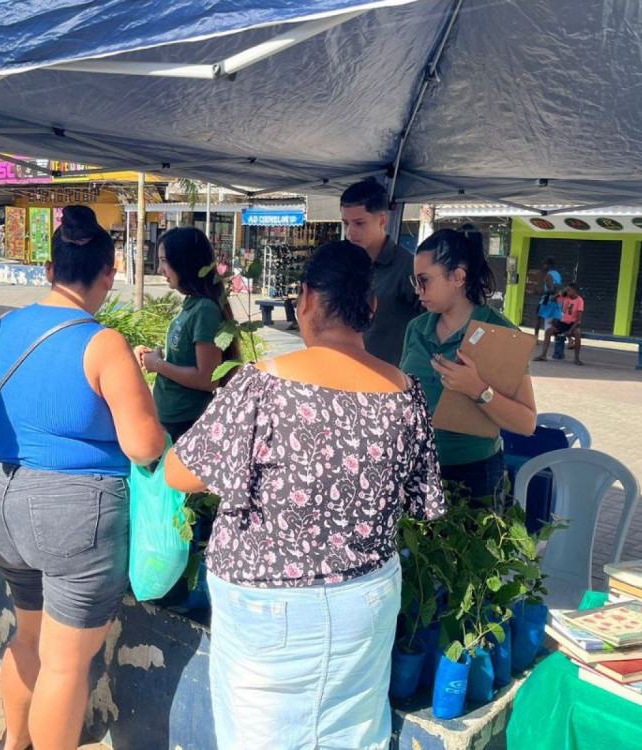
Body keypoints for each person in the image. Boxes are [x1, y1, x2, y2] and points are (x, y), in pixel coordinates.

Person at [163, 240, 444, 750]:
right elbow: (422, 502)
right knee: (355, 734)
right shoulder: (406, 391)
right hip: (368, 598)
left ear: (307, 299)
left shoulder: (263, 385)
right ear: (371, 307)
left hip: (270, 605)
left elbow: (180, 474)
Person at [0, 205, 164, 750]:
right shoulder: (103, 343)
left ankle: (14, 744)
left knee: (27, 638)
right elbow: (144, 444)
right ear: (110, 275)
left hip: (5, 500)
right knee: (65, 666)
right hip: (75, 517)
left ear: (49, 270)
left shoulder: (1, 329)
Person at [400, 227, 538, 500]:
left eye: (424, 280)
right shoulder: (417, 328)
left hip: (474, 474)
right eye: (415, 281)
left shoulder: (500, 333)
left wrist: (478, 390)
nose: (417, 290)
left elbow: (527, 423)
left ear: (458, 277)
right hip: (416, 466)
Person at [135, 227, 238, 441]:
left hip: (186, 421)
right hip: (171, 416)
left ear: (184, 262)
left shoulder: (205, 309)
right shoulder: (191, 303)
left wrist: (158, 365)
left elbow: (207, 378)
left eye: (164, 261)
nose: (160, 270)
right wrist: (158, 357)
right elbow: (187, 357)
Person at [340, 179, 422, 365]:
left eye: (359, 223)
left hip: (389, 380)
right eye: (346, 223)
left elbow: (432, 325)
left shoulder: (408, 266)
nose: (350, 231)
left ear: (382, 220)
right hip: (345, 372)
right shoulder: (344, 262)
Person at [536, 283, 586, 365]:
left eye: (569, 290)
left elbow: (578, 320)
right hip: (562, 322)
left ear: (575, 291)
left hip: (573, 324)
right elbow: (552, 299)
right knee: (548, 331)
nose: (567, 291)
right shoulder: (565, 297)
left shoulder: (579, 301)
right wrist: (559, 293)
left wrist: (570, 331)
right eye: (567, 289)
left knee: (577, 333)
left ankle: (576, 358)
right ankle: (543, 355)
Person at [533, 256, 562, 337]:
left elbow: (552, 289)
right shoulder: (557, 274)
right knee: (555, 319)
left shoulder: (549, 275)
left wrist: (541, 292)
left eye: (544, 265)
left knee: (538, 317)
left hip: (547, 300)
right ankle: (560, 337)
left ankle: (536, 337)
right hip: (557, 300)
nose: (543, 267)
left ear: (548, 265)